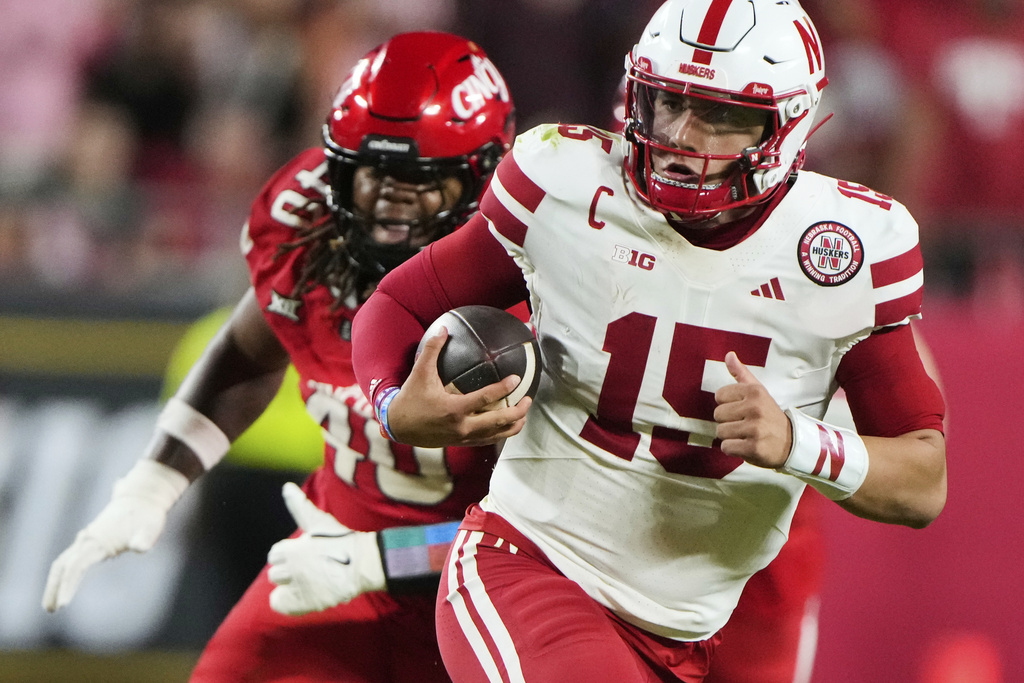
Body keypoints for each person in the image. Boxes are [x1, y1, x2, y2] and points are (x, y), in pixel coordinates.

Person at [351, 2, 947, 681]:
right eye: (668, 103)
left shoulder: (841, 251)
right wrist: (396, 404)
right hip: (529, 563)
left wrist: (797, 441)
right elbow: (400, 301)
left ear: (789, 122)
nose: (684, 136)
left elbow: (923, 482)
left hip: (686, 631)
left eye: (721, 114)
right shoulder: (564, 183)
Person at [42, 31, 515, 682]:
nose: (386, 204)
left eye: (419, 182)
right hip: (330, 550)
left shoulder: (542, 287)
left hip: (489, 593)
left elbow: (559, 534)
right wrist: (151, 485)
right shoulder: (310, 221)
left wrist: (378, 558)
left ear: (483, 176)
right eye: (372, 173)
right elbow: (252, 346)